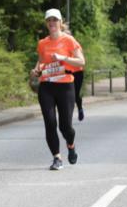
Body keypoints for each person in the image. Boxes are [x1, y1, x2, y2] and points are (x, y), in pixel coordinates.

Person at [30, 9, 85, 170]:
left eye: (55, 20)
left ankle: (71, 144)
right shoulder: (42, 43)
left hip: (65, 86)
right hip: (47, 86)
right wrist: (36, 71)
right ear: (46, 24)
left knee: (65, 126)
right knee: (50, 123)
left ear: (61, 23)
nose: (52, 23)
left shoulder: (69, 41)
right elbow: (41, 62)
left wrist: (64, 58)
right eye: (49, 21)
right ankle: (57, 158)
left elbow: (81, 62)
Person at [64, 22, 87, 121]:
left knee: (75, 93)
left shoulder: (75, 44)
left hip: (77, 72)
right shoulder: (61, 46)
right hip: (67, 71)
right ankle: (67, 113)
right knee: (66, 93)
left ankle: (80, 108)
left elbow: (81, 60)